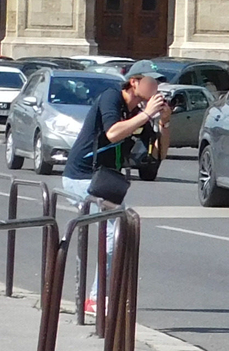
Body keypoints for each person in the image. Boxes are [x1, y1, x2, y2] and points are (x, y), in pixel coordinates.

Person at [62, 69, 170, 315]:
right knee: (113, 232)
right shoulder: (112, 97)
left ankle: (97, 295)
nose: (157, 89)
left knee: (115, 232)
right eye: (152, 83)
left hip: (104, 181)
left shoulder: (138, 114)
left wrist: (164, 122)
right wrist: (145, 114)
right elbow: (112, 133)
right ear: (134, 82)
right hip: (80, 176)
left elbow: (158, 155)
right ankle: (95, 298)